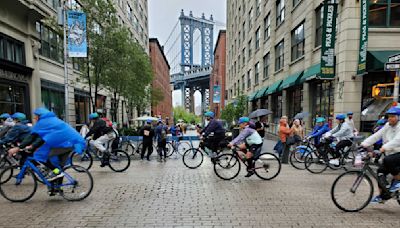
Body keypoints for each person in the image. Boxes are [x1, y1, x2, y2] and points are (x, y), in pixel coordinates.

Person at [8, 108, 85, 195]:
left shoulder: (44, 122)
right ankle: (56, 189)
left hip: (64, 144)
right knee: (56, 166)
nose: (35, 118)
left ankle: (57, 177)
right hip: (69, 144)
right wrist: (33, 146)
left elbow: (33, 136)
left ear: (39, 116)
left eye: (36, 116)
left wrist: (18, 148)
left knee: (42, 156)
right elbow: (43, 138)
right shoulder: (52, 120)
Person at [360, 107, 400, 203]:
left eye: (393, 116)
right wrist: (364, 144)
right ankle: (383, 195)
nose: (390, 118)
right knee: (380, 171)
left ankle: (398, 181)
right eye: (389, 116)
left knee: (388, 160)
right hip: (391, 154)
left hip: (398, 153)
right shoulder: (387, 126)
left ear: (398, 117)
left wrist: (383, 148)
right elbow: (376, 135)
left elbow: (397, 140)